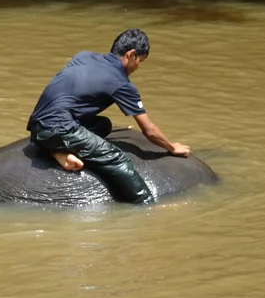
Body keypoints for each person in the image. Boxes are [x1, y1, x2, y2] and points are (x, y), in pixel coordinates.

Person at [26, 28, 191, 205]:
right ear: (131, 54)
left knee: (103, 125)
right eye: (139, 62)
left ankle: (56, 150)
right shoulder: (121, 83)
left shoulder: (84, 56)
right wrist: (172, 147)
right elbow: (149, 130)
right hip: (59, 128)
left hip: (37, 126)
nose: (137, 68)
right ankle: (147, 205)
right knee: (117, 158)